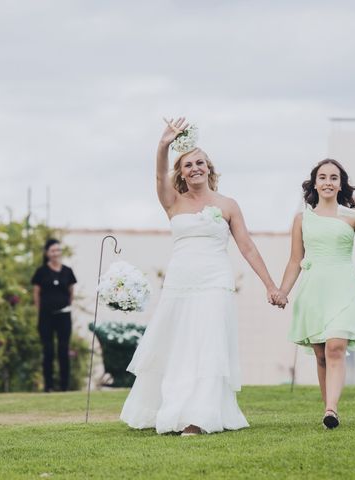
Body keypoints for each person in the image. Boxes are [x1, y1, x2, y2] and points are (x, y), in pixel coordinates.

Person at [120, 117, 284, 435]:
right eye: (187, 165)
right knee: (178, 346)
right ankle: (168, 410)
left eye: (200, 163)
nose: (194, 168)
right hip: (180, 282)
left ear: (209, 168)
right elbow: (157, 175)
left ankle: (199, 417)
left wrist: (270, 285)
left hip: (215, 282)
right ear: (180, 173)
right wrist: (163, 144)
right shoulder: (173, 202)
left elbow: (248, 248)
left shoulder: (228, 205)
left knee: (208, 345)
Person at [276, 159, 355, 429]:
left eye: (334, 178)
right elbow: (295, 260)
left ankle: (331, 409)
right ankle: (328, 411)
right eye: (323, 177)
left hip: (344, 287)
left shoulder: (353, 217)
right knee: (321, 354)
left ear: (341, 184)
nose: (328, 182)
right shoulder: (302, 219)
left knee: (335, 347)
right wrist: (282, 291)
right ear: (315, 183)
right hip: (314, 289)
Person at [31, 239, 77, 392]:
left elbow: (71, 292)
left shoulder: (67, 271)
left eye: (58, 250)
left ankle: (64, 386)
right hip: (46, 317)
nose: (56, 253)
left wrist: (67, 305)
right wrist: (41, 310)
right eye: (52, 250)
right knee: (48, 350)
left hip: (63, 316)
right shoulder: (41, 272)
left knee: (63, 350)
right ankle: (49, 385)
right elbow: (36, 294)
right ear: (47, 253)